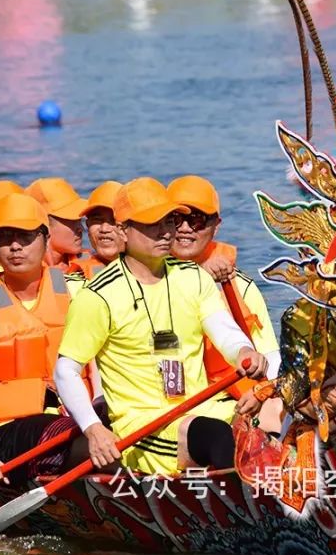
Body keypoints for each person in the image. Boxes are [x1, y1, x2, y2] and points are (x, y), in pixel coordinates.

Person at [54, 177, 267, 475]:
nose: (166, 231)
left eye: (169, 220)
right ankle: (258, 508)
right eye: (151, 223)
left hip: (199, 406)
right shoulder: (98, 296)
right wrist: (92, 429)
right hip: (142, 426)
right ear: (122, 231)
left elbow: (225, 331)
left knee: (281, 417)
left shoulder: (193, 277)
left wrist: (245, 351)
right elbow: (66, 370)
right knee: (218, 437)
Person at [0, 193, 87, 485]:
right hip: (9, 429)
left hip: (80, 415)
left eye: (25, 236)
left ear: (46, 239)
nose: (15, 246)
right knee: (76, 434)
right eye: (4, 238)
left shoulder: (79, 293)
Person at [167, 175, 282, 425]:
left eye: (196, 219)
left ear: (216, 226)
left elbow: (271, 358)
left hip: (228, 397)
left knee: (276, 409)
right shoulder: (146, 279)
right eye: (176, 219)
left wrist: (261, 392)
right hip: (171, 402)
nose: (185, 228)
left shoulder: (241, 285)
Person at [24, 178, 87, 271]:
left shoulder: (88, 263)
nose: (81, 228)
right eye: (72, 221)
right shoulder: (23, 276)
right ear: (45, 227)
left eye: (79, 220)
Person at [69, 181, 124, 279]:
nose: (104, 229)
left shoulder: (155, 272)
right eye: (97, 220)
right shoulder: (74, 278)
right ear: (87, 225)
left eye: (114, 221)